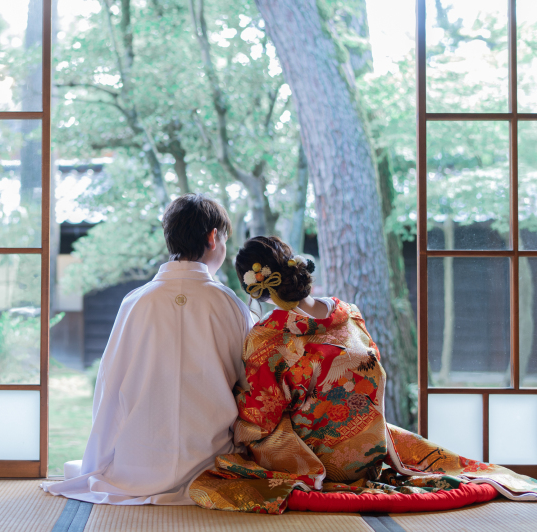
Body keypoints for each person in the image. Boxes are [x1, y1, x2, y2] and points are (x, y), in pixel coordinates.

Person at [189, 236, 537, 514]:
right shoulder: (348, 313)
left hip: (320, 460)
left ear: (255, 288)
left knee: (219, 473)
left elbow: (260, 414)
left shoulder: (269, 337)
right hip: (371, 449)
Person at [43, 193, 252, 505]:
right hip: (210, 464)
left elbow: (109, 386)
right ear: (213, 238)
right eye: (223, 239)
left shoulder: (136, 301)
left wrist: (100, 456)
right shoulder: (230, 305)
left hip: (137, 462)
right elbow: (250, 381)